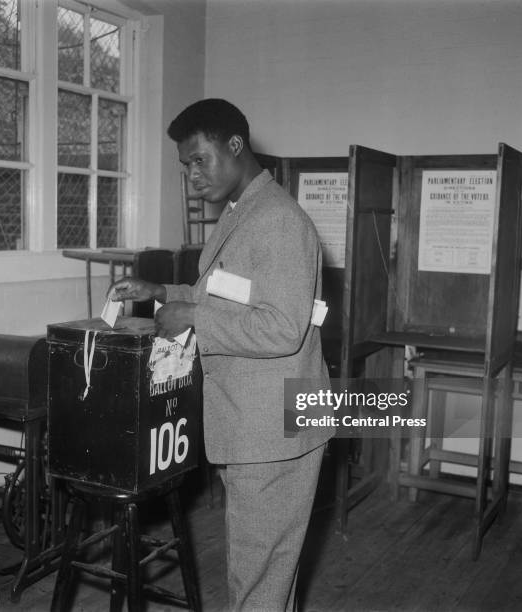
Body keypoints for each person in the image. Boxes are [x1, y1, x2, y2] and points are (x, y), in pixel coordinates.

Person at [109, 98, 333, 611]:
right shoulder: (243, 212)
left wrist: (191, 319)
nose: (191, 176)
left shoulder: (277, 220)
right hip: (253, 426)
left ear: (235, 145)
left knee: (257, 585)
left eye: (199, 160)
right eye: (185, 165)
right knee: (269, 577)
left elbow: (282, 328)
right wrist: (162, 291)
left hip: (276, 432)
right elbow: (225, 296)